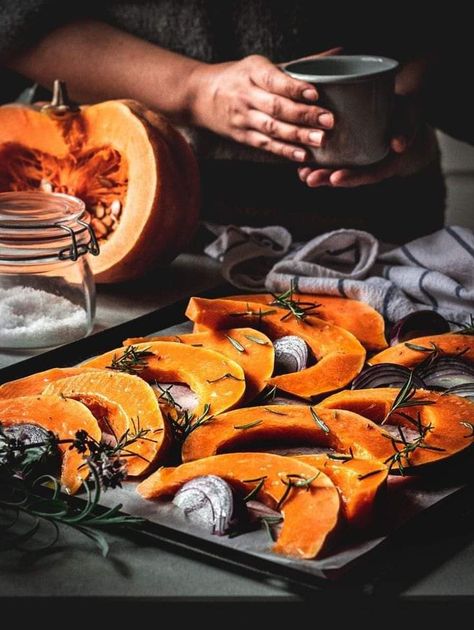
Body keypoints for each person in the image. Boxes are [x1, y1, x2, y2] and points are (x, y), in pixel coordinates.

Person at [0, 2, 457, 242]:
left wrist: (408, 101)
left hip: (383, 219)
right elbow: (14, 23)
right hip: (135, 215)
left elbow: (448, 29)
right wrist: (197, 89)